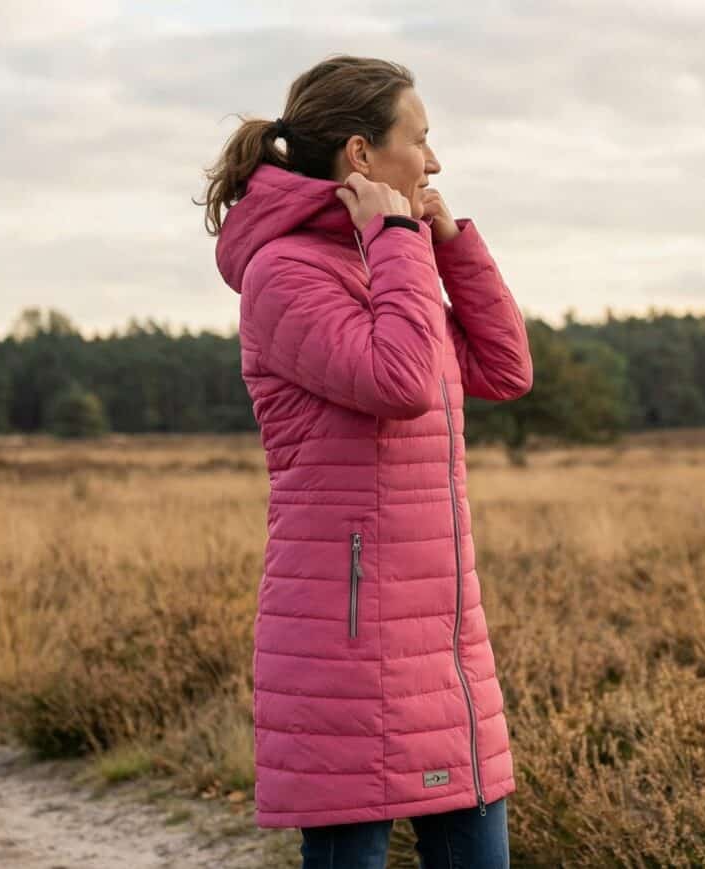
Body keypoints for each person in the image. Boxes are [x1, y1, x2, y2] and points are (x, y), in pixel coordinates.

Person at [198, 54, 532, 868]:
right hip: (346, 650)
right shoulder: (285, 273)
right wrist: (399, 241)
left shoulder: (384, 262)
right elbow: (402, 382)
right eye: (420, 139)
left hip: (444, 645)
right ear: (361, 153)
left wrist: (448, 246)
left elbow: (504, 368)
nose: (434, 162)